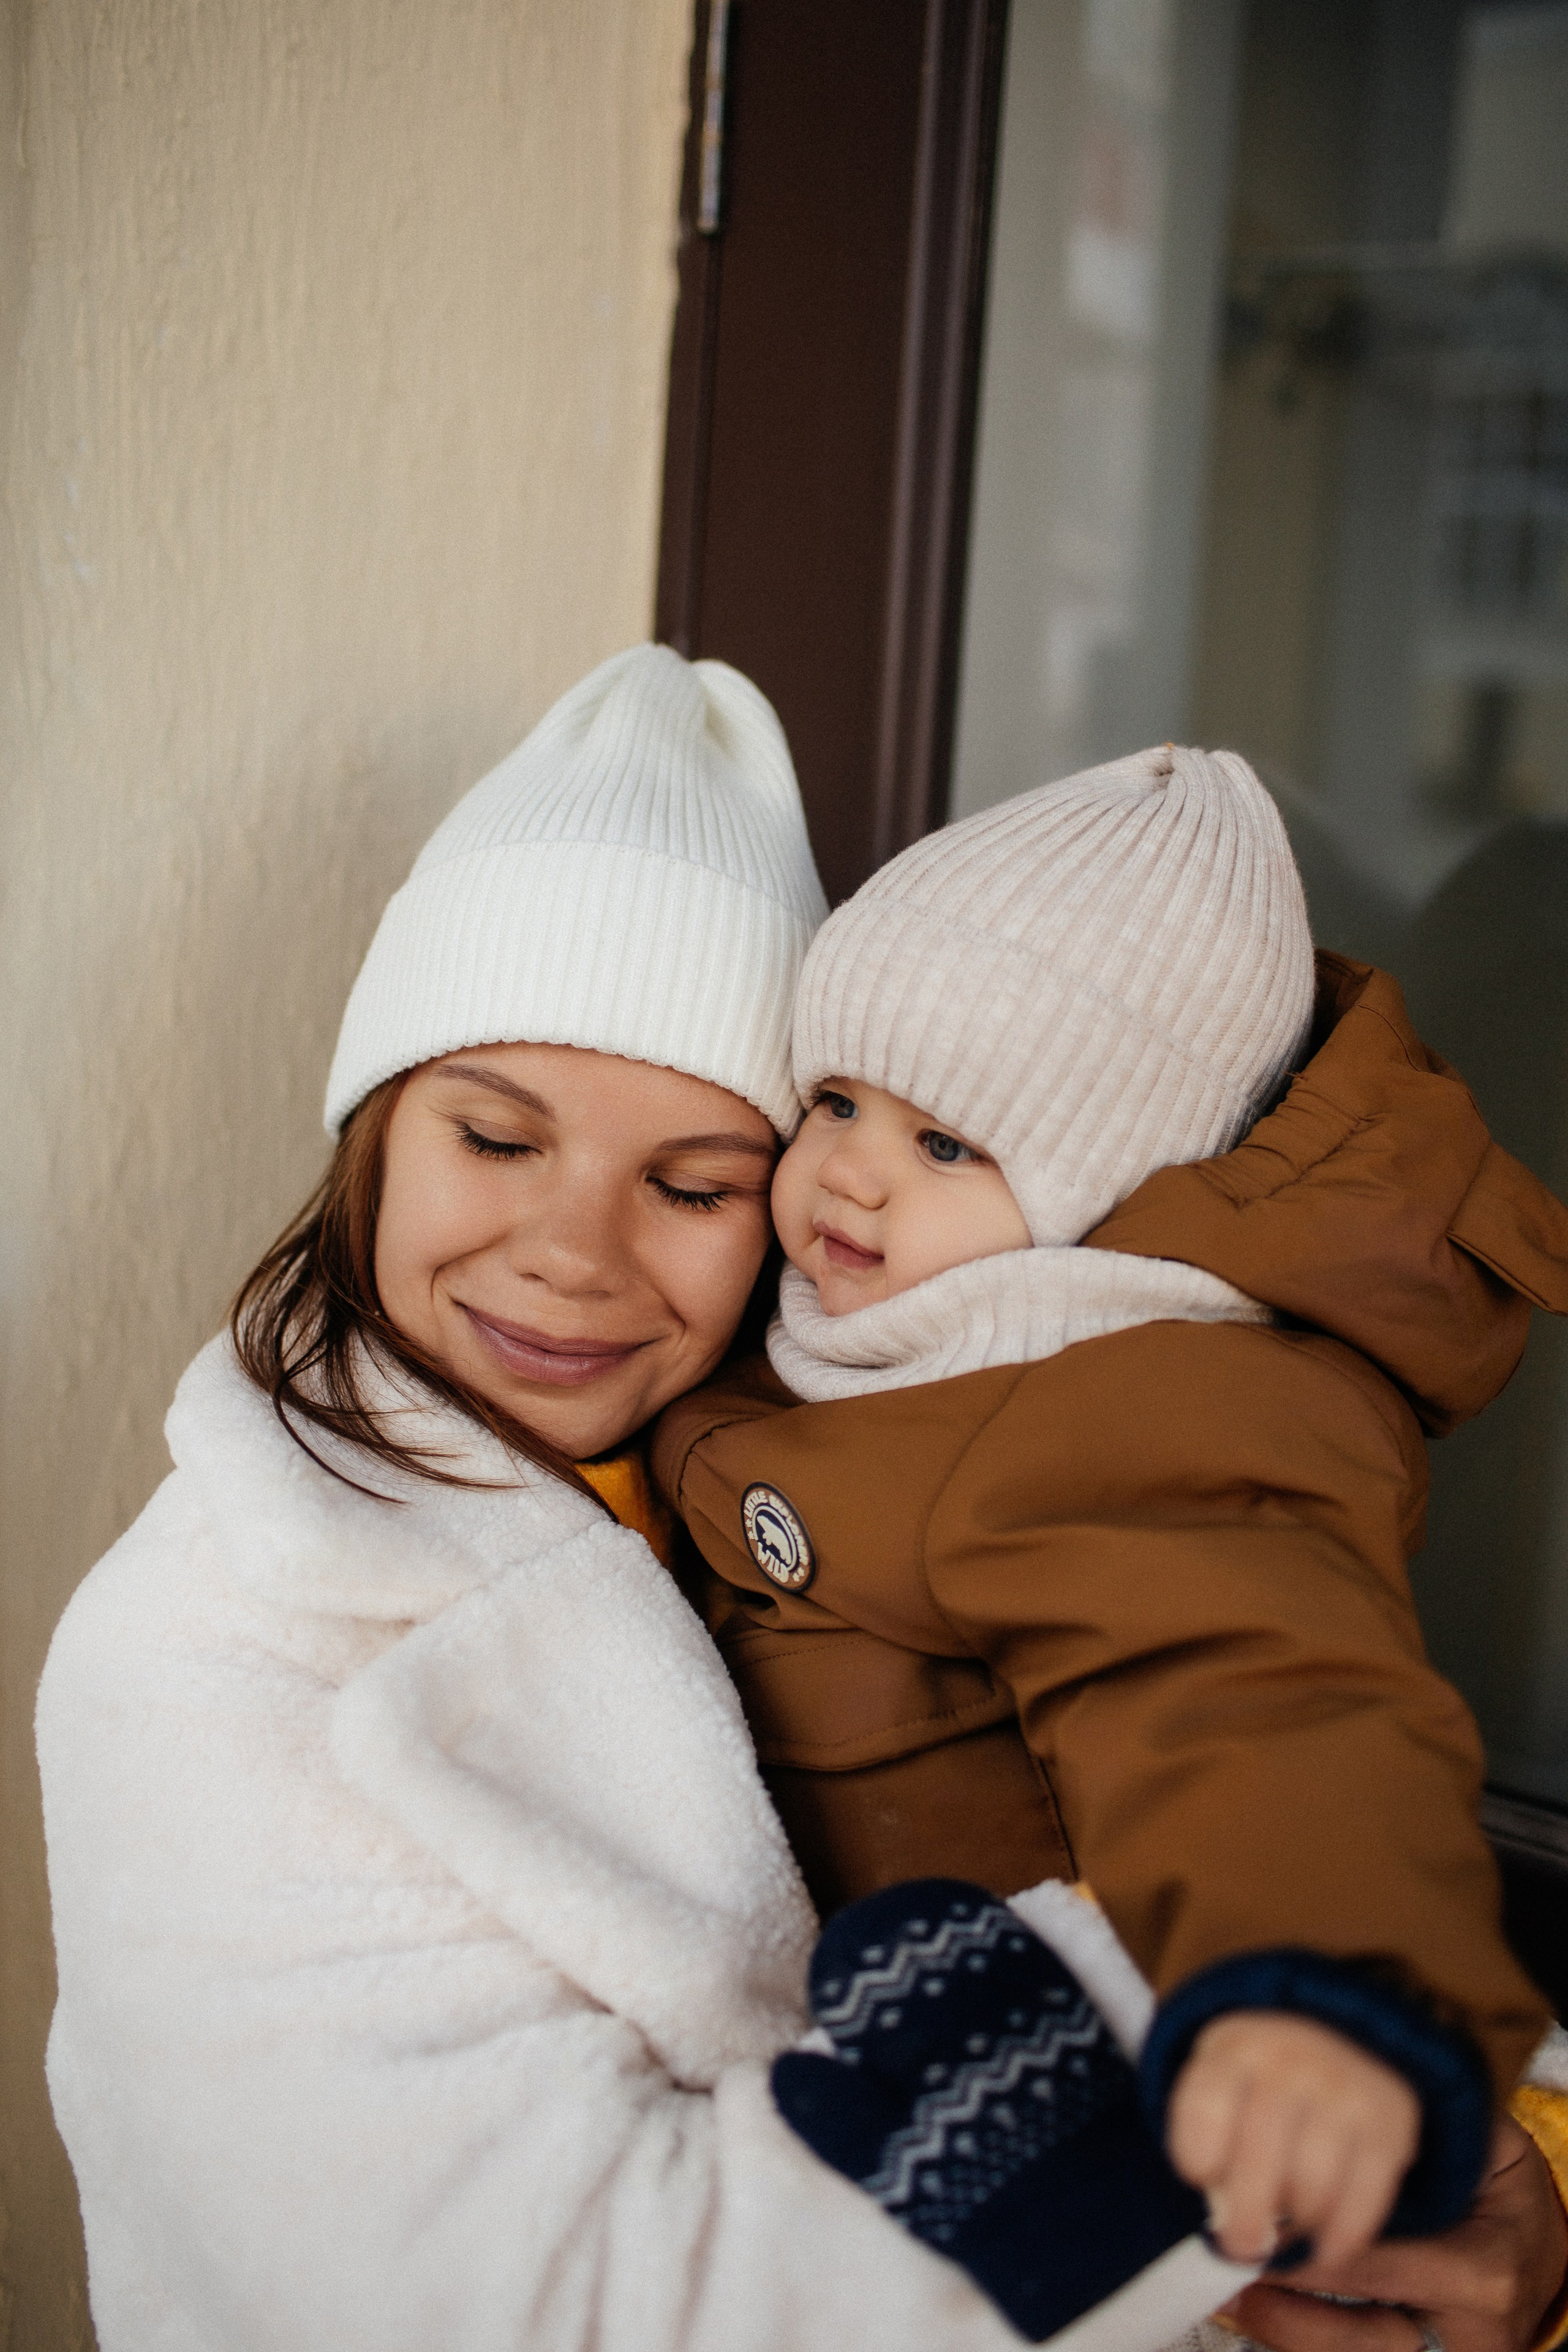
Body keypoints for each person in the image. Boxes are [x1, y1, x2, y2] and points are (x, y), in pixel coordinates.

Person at [36, 656, 1568, 2352]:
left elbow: (1260, 1704)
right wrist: (1200, 2131)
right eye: (496, 1137)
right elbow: (526, 2306)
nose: (576, 1251)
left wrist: (1503, 2238)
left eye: (694, 1182)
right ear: (375, 1134)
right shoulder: (209, 1650)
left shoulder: (819, 1452)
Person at [652, 745, 1568, 2291]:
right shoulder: (866, 1320)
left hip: (1093, 2120)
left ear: (1102, 1191)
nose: (851, 1181)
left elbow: (1255, 1697)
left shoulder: (1116, 1399)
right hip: (873, 2062)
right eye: (837, 1099)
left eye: (948, 1145)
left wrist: (1315, 1992)